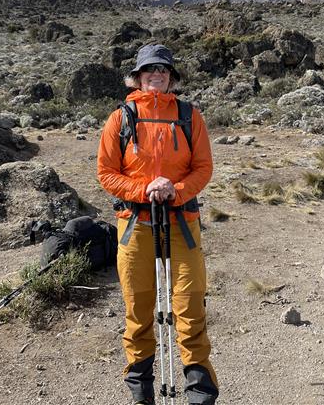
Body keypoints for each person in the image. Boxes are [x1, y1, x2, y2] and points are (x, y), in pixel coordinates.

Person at [97, 44, 219, 405]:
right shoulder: (121, 118)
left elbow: (203, 168)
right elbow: (106, 172)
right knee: (138, 310)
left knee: (190, 307)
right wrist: (144, 189)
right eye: (149, 69)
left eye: (163, 70)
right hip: (135, 224)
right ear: (137, 77)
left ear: (171, 77)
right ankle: (142, 394)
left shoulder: (189, 116)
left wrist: (174, 190)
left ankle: (200, 395)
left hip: (182, 223)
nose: (156, 74)